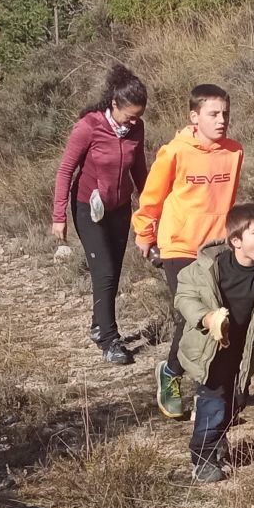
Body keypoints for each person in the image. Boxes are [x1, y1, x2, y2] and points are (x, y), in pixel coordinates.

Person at [133, 83, 244, 420]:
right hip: (179, 245)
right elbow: (152, 196)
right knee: (192, 316)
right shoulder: (175, 152)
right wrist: (144, 232)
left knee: (220, 317)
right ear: (194, 117)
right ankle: (171, 374)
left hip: (216, 248)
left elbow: (228, 203)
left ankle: (209, 391)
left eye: (225, 114)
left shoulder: (234, 152)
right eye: (213, 114)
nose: (221, 120)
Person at [171, 203, 254, 483]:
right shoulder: (208, 266)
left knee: (236, 402)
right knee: (214, 404)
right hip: (210, 351)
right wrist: (206, 318)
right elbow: (184, 295)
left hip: (242, 353)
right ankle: (202, 458)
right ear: (236, 241)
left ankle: (217, 439)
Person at [52, 64, 150, 364]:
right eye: (129, 115)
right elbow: (66, 171)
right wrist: (59, 216)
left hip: (119, 208)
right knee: (104, 270)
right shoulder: (88, 126)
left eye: (138, 116)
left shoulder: (136, 129)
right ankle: (110, 340)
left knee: (113, 271)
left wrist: (150, 208)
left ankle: (98, 325)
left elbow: (139, 170)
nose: (133, 121)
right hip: (88, 208)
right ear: (114, 104)